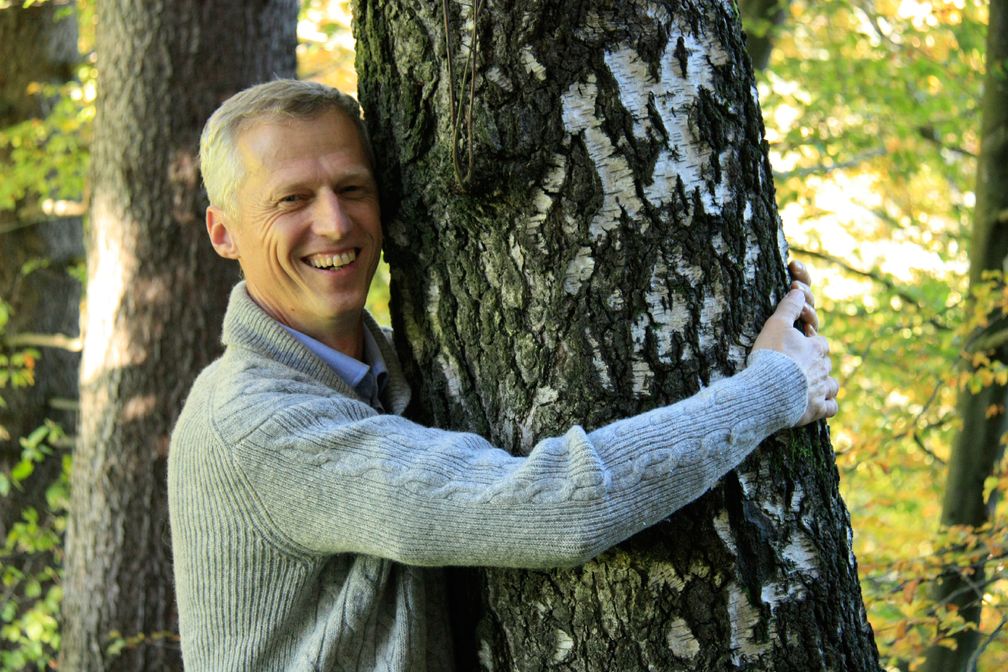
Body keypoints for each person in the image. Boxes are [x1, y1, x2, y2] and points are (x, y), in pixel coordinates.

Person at [168, 79, 838, 671]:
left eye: (352, 188)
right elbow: (556, 509)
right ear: (223, 233)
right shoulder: (255, 420)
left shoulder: (388, 372)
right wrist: (772, 387)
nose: (334, 223)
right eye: (291, 200)